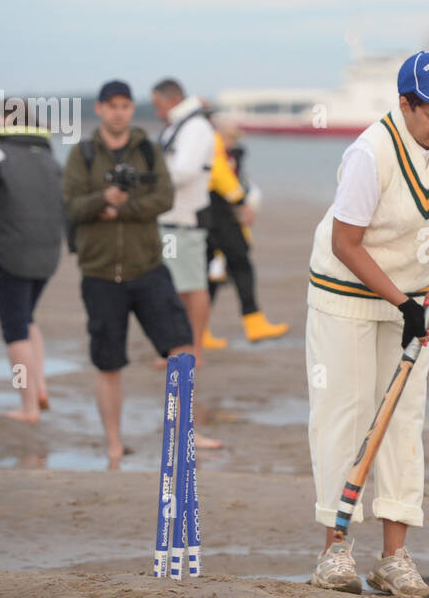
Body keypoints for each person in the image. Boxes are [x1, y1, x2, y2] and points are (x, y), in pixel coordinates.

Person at [305, 51, 429, 597]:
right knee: (345, 412)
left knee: (403, 421)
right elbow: (346, 243)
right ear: (406, 105)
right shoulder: (371, 152)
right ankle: (335, 551)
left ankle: (394, 557)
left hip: (415, 293)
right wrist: (402, 304)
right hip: (345, 292)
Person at [63, 80, 214, 464]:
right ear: (99, 109)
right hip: (99, 272)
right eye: (112, 105)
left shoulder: (147, 149)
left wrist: (120, 208)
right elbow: (71, 205)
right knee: (108, 362)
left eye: (126, 106)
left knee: (181, 347)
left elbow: (163, 198)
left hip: (147, 266)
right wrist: (103, 199)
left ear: (133, 109)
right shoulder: (82, 153)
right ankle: (114, 442)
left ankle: (185, 433)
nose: (119, 112)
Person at [0, 98, 63, 422]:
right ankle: (40, 387)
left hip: (10, 251)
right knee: (27, 319)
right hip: (48, 251)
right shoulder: (46, 153)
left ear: (6, 120)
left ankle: (28, 405)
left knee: (14, 330)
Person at [202, 119, 288, 346]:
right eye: (228, 137)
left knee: (212, 273)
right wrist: (241, 203)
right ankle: (253, 323)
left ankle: (199, 331)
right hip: (219, 216)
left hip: (212, 217)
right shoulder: (214, 148)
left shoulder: (225, 152)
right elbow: (221, 177)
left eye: (234, 138)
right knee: (240, 266)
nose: (231, 142)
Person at [150, 79, 217, 366]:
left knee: (193, 285)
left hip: (185, 220)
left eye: (158, 106)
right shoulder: (180, 126)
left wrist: (149, 181)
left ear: (174, 99)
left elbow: (184, 171)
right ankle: (181, 348)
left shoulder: (195, 127)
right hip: (170, 219)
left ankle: (194, 351)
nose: (157, 113)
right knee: (175, 285)